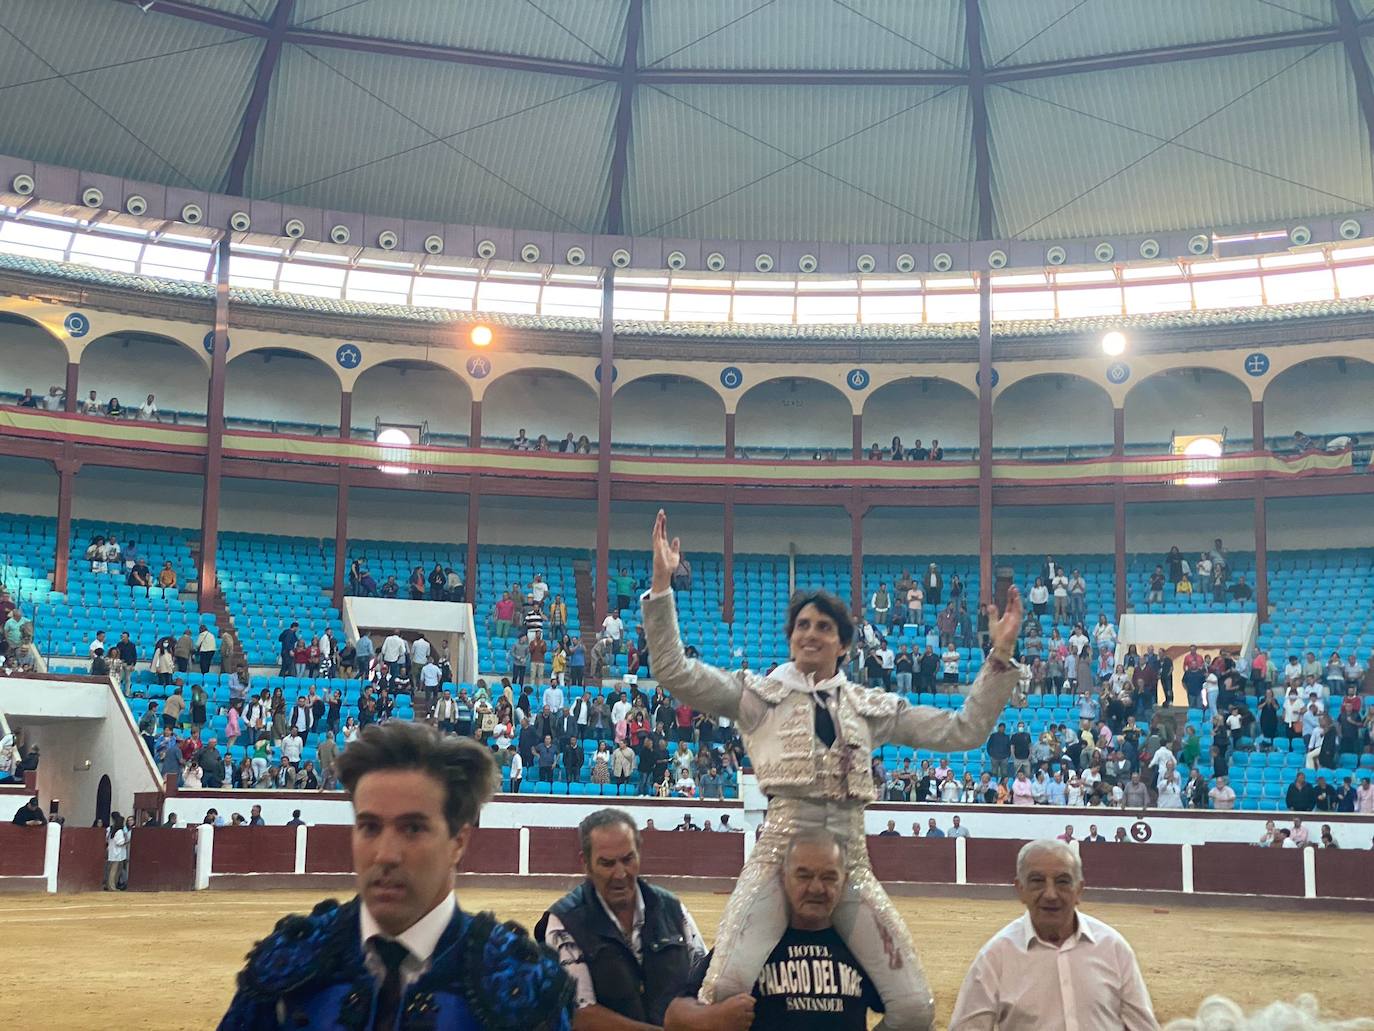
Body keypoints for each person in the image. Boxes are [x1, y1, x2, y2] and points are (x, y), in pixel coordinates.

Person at [643, 510, 1022, 1028]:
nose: (811, 634)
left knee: (914, 1008)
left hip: (850, 861)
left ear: (844, 643)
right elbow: (673, 671)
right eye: (803, 625)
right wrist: (662, 588)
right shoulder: (759, 697)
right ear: (790, 637)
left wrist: (999, 657)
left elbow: (964, 731)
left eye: (824, 627)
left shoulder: (869, 706)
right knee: (724, 992)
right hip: (778, 854)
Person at [219, 721, 573, 1030]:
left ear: (458, 842)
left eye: (413, 829)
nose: (385, 854)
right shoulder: (287, 962)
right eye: (369, 827)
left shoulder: (520, 982)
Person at [669, 836, 884, 1031]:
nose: (816, 888)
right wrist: (713, 1017)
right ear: (783, 879)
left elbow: (910, 1010)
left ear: (844, 882)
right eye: (803, 876)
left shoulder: (860, 947)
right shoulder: (748, 942)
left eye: (829, 877)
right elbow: (674, 1016)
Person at [949, 839, 1157, 1030]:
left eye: (1063, 881)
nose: (1050, 894)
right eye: (1037, 881)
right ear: (1020, 889)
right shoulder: (995, 958)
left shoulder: (1114, 949)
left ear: (1079, 890)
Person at [537, 809, 706, 1028]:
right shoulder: (564, 923)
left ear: (639, 853)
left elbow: (703, 981)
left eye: (628, 859)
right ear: (585, 863)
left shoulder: (673, 909)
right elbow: (581, 1015)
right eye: (607, 863)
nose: (620, 874)